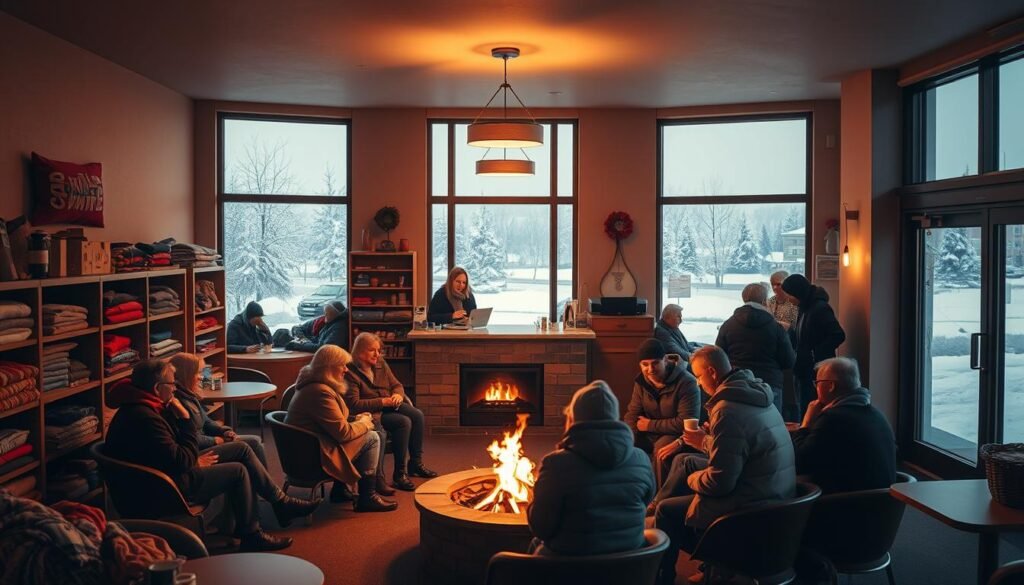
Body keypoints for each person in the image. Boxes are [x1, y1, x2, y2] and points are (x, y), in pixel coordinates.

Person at [105, 360, 319, 551]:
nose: (175, 388)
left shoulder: (145, 406)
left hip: (167, 472)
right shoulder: (146, 417)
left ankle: (279, 504)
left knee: (242, 448)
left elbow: (172, 451)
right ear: (156, 388)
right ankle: (252, 533)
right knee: (238, 471)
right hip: (164, 487)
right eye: (171, 384)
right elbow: (181, 458)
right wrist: (185, 421)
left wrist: (192, 454)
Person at [655, 346, 795, 585]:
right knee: (687, 461)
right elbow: (743, 447)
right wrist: (707, 441)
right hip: (777, 495)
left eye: (699, 376)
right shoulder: (756, 393)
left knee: (666, 510)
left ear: (712, 372)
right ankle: (713, 563)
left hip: (752, 505)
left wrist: (692, 480)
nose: (698, 383)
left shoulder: (727, 409)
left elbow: (719, 483)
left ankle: (666, 576)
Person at [528, 380, 656, 555]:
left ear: (573, 418)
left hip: (571, 562)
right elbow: (646, 501)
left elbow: (540, 527)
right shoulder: (641, 459)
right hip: (629, 561)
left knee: (535, 544)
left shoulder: (555, 464)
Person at [285, 345, 398, 512]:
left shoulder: (317, 385)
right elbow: (343, 433)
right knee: (372, 437)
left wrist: (356, 419)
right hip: (311, 458)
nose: (346, 369)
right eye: (342, 365)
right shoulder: (320, 392)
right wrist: (365, 423)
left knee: (366, 432)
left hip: (308, 448)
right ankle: (367, 497)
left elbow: (332, 421)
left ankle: (340, 490)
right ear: (329, 368)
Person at [344, 332, 437, 492]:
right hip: (371, 413)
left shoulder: (380, 363)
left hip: (390, 404)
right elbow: (354, 404)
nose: (377, 354)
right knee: (404, 422)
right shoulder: (350, 372)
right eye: (372, 350)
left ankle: (415, 463)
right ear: (359, 352)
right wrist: (382, 402)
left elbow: (396, 384)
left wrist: (398, 395)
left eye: (378, 350)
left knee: (417, 415)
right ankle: (400, 474)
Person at [791, 357, 896, 494]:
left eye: (817, 383)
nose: (815, 388)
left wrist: (806, 423)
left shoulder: (832, 419)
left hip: (845, 503)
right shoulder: (878, 415)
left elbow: (798, 463)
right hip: (885, 503)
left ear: (831, 386)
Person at [168, 352, 268, 467]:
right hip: (199, 450)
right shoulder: (178, 403)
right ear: (187, 375)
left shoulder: (190, 396)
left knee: (255, 442)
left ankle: (262, 478)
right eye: (198, 373)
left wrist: (223, 431)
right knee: (248, 445)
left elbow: (207, 421)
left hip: (208, 442)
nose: (202, 377)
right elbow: (190, 437)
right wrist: (215, 440)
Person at [715, 283, 795, 413]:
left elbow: (719, 356)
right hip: (770, 385)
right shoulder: (775, 327)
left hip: (737, 385)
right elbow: (788, 361)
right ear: (764, 301)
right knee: (771, 422)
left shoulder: (728, 325)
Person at [623, 339, 701, 474]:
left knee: (661, 451)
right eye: (645, 364)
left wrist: (650, 425)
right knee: (623, 444)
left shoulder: (687, 382)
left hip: (677, 435)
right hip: (649, 433)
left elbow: (685, 422)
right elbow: (633, 414)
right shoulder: (641, 381)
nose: (650, 369)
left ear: (665, 360)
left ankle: (657, 488)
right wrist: (628, 437)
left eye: (655, 363)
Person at [781, 273, 847, 417]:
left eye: (790, 295)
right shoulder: (804, 307)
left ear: (798, 292)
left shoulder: (820, 308)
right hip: (804, 369)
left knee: (813, 410)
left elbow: (838, 335)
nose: (788, 299)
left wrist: (814, 353)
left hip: (816, 371)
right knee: (804, 408)